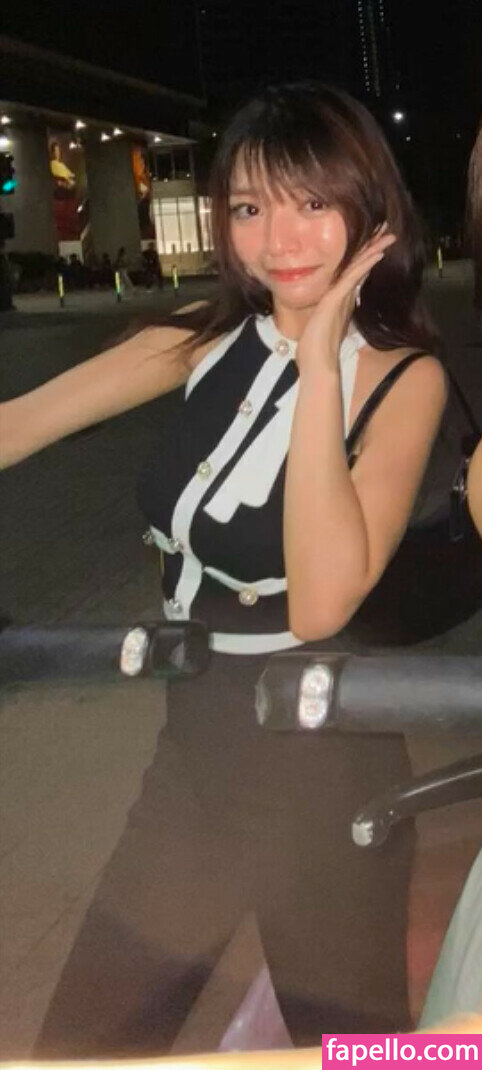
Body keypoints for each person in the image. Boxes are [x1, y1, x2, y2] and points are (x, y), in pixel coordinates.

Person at [1, 83, 448, 1054]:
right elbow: (19, 423)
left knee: (354, 1049)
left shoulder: (402, 380)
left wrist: (320, 359)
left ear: (369, 209)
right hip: (193, 752)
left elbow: (322, 601)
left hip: (322, 771)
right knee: (85, 1043)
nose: (278, 239)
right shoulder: (199, 336)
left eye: (310, 202)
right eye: (249, 207)